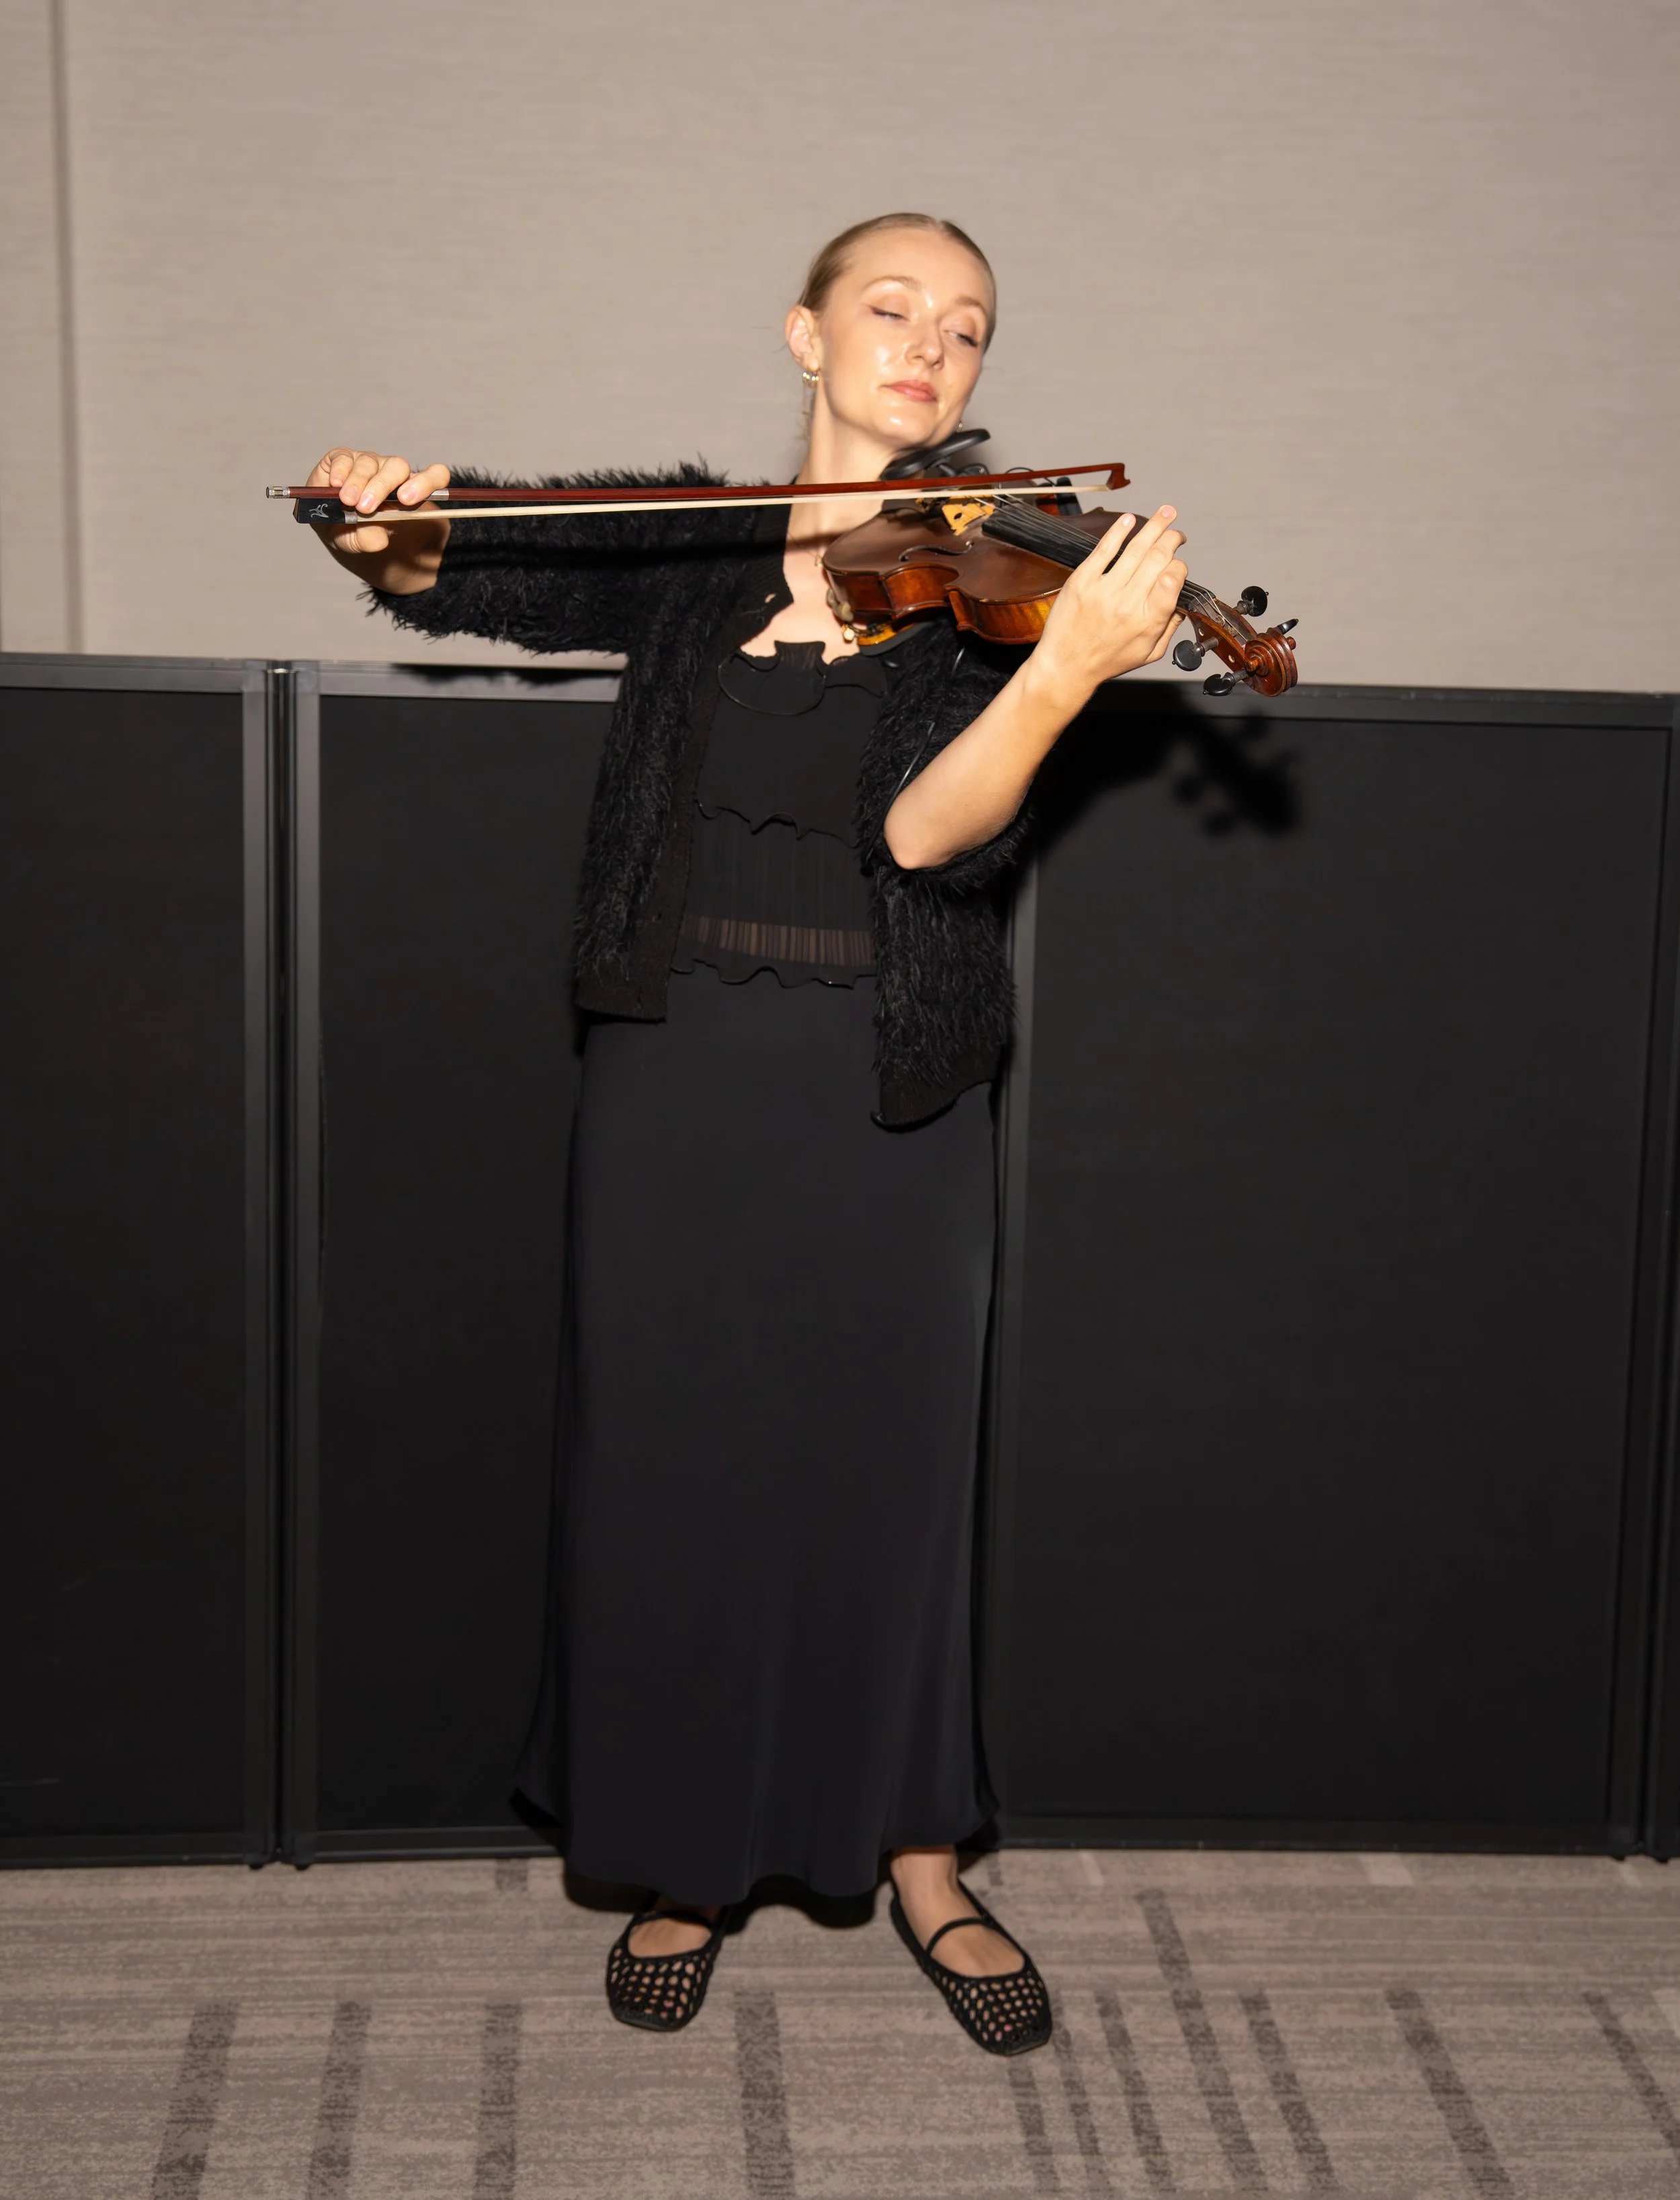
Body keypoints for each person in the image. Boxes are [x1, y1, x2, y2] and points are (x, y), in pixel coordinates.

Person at [302, 212, 1187, 2056]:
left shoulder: (999, 568)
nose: (928, 344)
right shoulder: (699, 546)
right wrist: (376, 519)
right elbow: (459, 572)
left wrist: (1064, 674)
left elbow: (929, 835)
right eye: (891, 306)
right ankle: (684, 1854)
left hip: (889, 1086)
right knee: (670, 1471)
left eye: (965, 325)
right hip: (676, 1071)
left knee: (891, 1481)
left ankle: (924, 1858)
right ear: (805, 334)